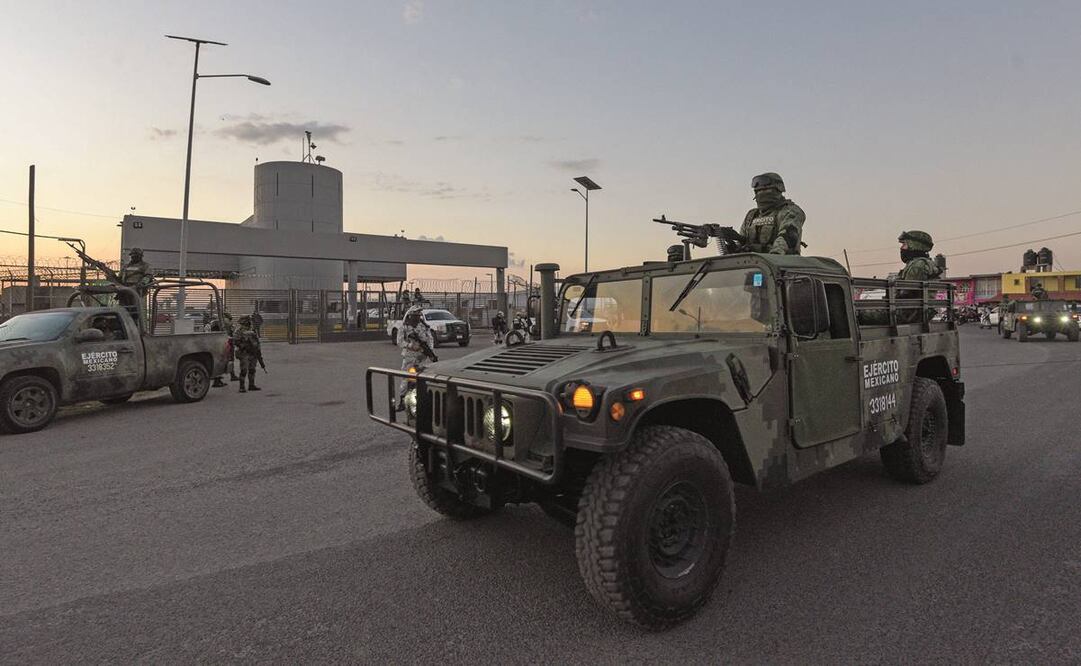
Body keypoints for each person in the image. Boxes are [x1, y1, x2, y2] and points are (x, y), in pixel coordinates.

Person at [737, 172, 805, 255]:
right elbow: (742, 243)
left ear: (778, 190)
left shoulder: (791, 211)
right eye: (758, 191)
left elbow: (786, 239)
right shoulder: (751, 215)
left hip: (780, 263)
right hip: (752, 264)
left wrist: (765, 251)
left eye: (766, 190)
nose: (761, 193)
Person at [396, 305, 437, 410]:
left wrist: (429, 351)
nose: (418, 317)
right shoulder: (404, 327)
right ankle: (402, 401)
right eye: (416, 315)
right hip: (409, 356)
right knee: (406, 378)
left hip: (422, 357)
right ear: (411, 316)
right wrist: (410, 346)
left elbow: (430, 339)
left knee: (422, 379)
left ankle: (422, 400)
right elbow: (399, 341)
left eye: (419, 315)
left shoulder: (423, 326)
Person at [232, 315, 263, 393]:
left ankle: (251, 385)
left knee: (252, 369)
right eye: (247, 320)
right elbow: (235, 341)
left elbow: (256, 341)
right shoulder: (239, 330)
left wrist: (258, 351)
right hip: (244, 353)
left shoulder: (252, 329)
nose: (249, 322)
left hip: (253, 352)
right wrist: (244, 346)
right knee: (244, 370)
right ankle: (242, 387)